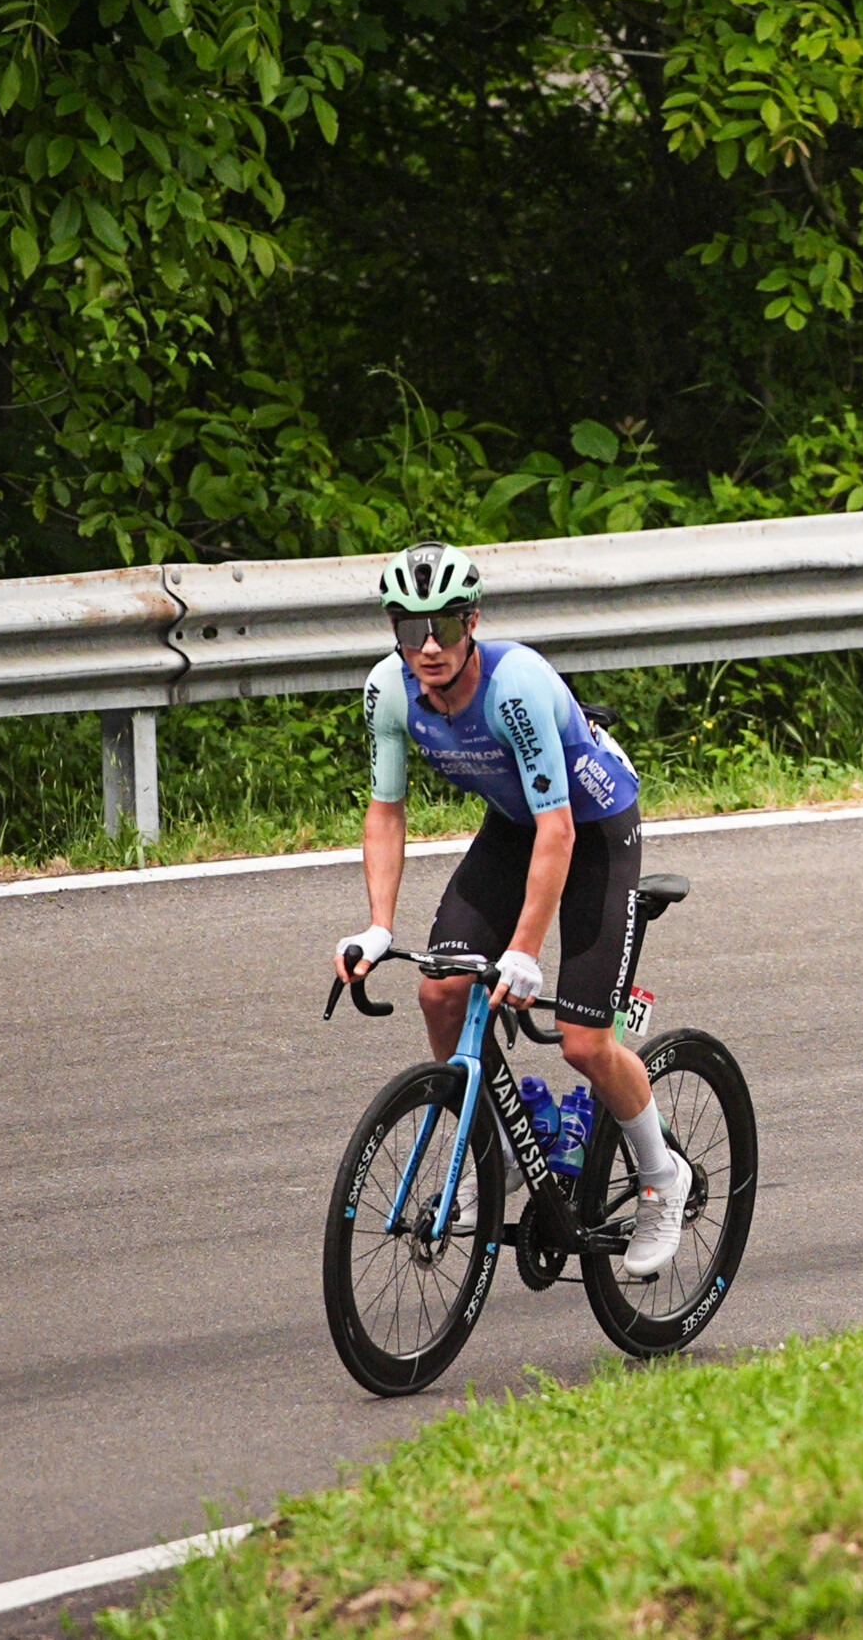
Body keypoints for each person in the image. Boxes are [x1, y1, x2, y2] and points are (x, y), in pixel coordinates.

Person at [332, 541, 689, 1279]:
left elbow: (559, 829)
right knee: (439, 989)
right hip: (515, 824)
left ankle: (662, 1178)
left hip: (591, 827)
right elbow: (385, 811)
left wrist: (525, 949)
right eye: (410, 628)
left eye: (448, 625)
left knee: (585, 1043)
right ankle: (484, 1157)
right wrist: (377, 926)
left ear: (474, 621)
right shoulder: (388, 691)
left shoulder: (515, 684)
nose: (429, 645)